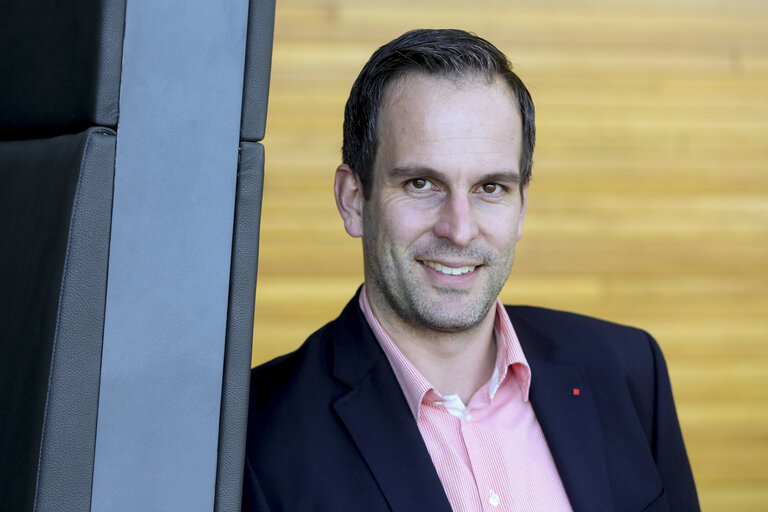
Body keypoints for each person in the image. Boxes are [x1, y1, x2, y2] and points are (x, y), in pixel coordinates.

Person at [243, 29, 699, 512]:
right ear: (354, 199)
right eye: (421, 183)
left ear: (522, 205)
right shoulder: (252, 437)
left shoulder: (627, 370)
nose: (459, 230)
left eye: (490, 187)